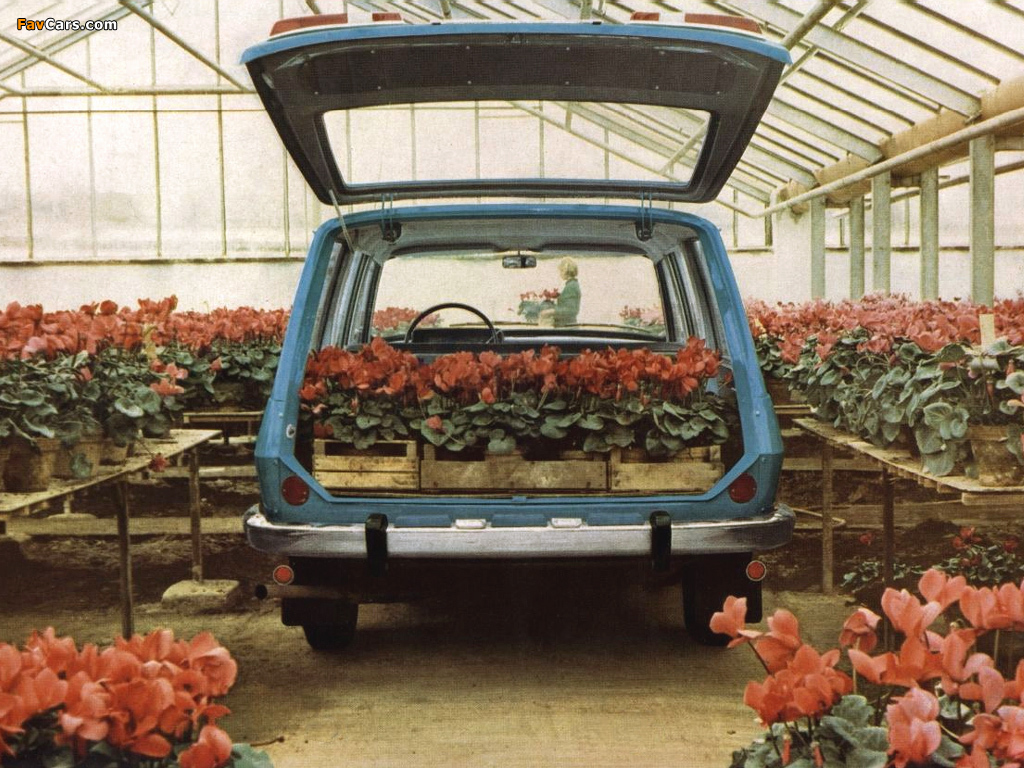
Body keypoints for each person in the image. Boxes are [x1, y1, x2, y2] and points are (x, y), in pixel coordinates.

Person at [553, 257, 580, 327]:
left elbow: (570, 310)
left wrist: (551, 311)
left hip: (568, 326)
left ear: (565, 271)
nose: (560, 274)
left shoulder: (571, 286)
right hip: (568, 325)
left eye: (561, 271)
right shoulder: (572, 284)